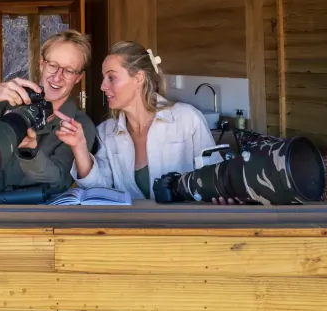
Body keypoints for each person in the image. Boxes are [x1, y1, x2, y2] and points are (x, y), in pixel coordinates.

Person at [55, 41, 236, 204]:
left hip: (184, 230)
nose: (102, 86)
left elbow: (215, 178)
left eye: (111, 77)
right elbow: (100, 191)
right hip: (133, 234)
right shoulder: (105, 132)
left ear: (138, 78)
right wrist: (79, 147)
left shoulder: (187, 119)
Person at [0, 29, 97, 196]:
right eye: (53, 65)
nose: (57, 77)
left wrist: (30, 152)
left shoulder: (78, 126)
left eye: (68, 70)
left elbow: (59, 183)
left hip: (34, 215)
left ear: (78, 78)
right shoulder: (10, 99)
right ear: (41, 64)